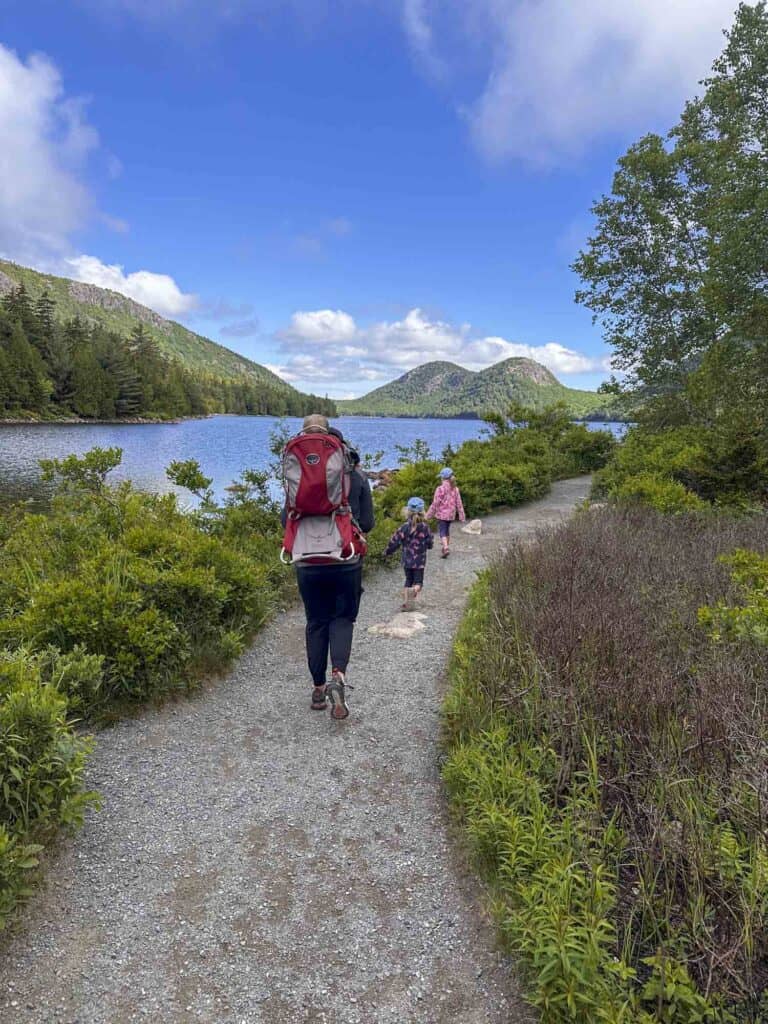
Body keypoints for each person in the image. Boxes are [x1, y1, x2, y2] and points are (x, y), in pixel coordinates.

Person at [282, 415, 375, 720]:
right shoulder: (356, 478)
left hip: (307, 561)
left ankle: (319, 689)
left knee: (316, 622)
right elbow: (369, 524)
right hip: (346, 558)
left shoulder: (298, 476)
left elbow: (287, 520)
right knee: (342, 619)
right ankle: (339, 675)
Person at [384, 496, 434, 610]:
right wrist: (429, 546)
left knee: (408, 580)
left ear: (408, 511)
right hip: (419, 561)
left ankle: (407, 603)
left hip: (407, 560)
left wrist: (387, 552)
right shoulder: (425, 527)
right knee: (418, 582)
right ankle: (414, 593)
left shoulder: (404, 527)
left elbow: (394, 541)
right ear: (422, 511)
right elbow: (430, 541)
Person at [426, 467, 465, 558]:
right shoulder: (455, 489)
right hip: (451, 514)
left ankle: (446, 547)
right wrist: (461, 515)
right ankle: (445, 548)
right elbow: (459, 503)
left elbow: (435, 503)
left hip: (442, 515)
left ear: (443, 478)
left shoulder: (440, 489)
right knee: (447, 531)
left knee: (442, 532)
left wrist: (428, 515)